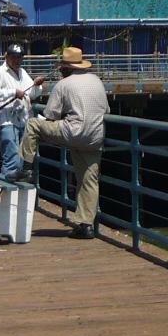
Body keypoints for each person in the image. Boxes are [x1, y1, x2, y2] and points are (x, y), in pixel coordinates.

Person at [16, 47, 108, 239]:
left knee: (33, 125)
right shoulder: (97, 81)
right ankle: (86, 225)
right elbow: (105, 110)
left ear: (66, 68)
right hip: (95, 136)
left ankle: (26, 169)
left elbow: (51, 115)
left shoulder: (63, 84)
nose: (60, 72)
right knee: (89, 179)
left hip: (73, 132)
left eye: (61, 68)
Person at [0, 43, 41, 178]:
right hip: (6, 121)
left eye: (19, 57)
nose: (17, 60)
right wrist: (13, 92)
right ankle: (7, 187)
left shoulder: (23, 72)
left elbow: (32, 94)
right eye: (13, 57)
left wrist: (36, 86)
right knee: (12, 159)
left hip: (24, 120)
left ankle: (18, 187)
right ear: (6, 56)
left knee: (23, 159)